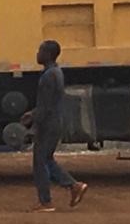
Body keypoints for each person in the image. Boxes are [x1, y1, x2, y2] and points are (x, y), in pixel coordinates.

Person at [21, 40, 89, 212]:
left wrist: (32, 118)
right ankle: (74, 186)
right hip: (54, 122)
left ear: (48, 54)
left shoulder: (49, 76)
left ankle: (46, 202)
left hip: (48, 124)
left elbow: (46, 105)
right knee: (47, 159)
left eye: (40, 51)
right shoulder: (55, 73)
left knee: (40, 161)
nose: (37, 54)